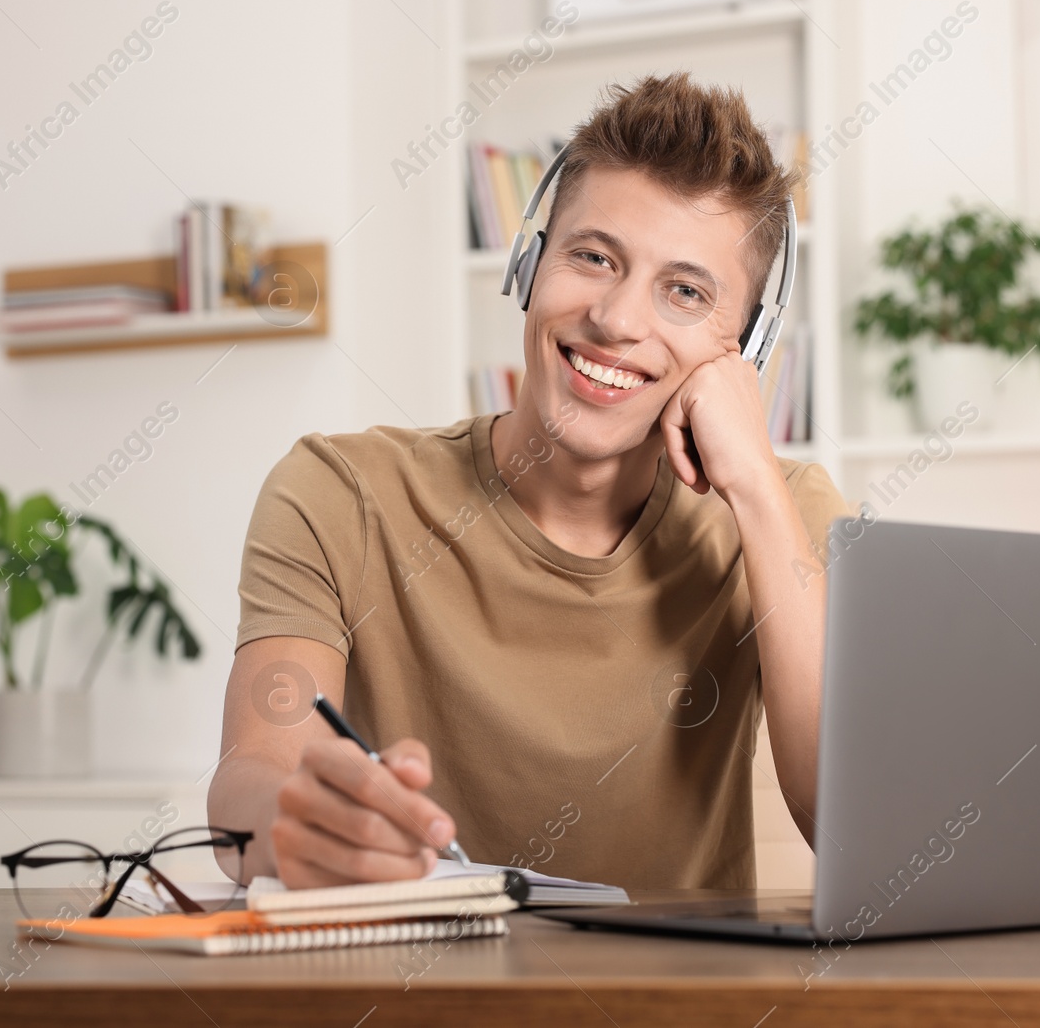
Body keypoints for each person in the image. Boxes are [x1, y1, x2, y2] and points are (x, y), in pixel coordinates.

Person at [209, 71, 849, 890]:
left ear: (746, 351)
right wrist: (297, 823)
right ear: (529, 264)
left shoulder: (786, 513)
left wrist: (757, 489)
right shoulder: (339, 493)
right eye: (592, 256)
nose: (617, 319)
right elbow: (246, 788)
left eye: (684, 291)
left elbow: (845, 818)